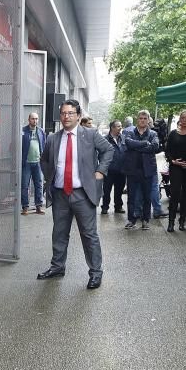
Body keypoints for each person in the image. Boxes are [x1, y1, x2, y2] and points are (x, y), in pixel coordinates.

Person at [37, 99, 114, 289]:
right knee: (59, 233)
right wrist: (51, 178)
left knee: (89, 234)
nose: (66, 116)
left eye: (70, 113)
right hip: (60, 194)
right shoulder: (53, 138)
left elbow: (108, 150)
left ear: (78, 116)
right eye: (63, 113)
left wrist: (100, 171)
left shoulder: (90, 134)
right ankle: (57, 267)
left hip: (83, 194)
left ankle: (96, 272)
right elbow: (44, 160)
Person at [121, 110, 161, 230]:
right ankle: (131, 220)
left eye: (145, 118)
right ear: (137, 119)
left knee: (146, 196)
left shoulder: (153, 134)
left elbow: (154, 147)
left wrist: (136, 146)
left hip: (147, 170)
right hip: (132, 170)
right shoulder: (129, 132)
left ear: (148, 120)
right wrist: (144, 143)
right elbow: (128, 143)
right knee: (131, 197)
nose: (142, 120)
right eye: (140, 118)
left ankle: (145, 220)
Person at [165, 110, 186, 231]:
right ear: (179, 119)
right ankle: (171, 221)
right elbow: (167, 151)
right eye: (182, 118)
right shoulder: (173, 133)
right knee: (175, 193)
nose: (184, 120)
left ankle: (182, 220)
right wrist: (173, 161)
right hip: (175, 167)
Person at [21, 111, 46, 215]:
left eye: (36, 119)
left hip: (38, 163)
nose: (35, 121)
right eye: (33, 119)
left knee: (39, 185)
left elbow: (44, 145)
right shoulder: (23, 131)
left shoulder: (41, 131)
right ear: (29, 120)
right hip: (26, 163)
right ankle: (25, 207)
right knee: (24, 186)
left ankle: (38, 207)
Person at [101, 120, 126, 215]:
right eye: (118, 126)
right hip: (109, 170)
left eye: (121, 126)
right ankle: (105, 207)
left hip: (121, 169)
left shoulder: (123, 138)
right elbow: (101, 154)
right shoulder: (105, 139)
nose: (120, 128)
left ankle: (118, 206)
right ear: (112, 127)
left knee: (119, 190)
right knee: (106, 190)